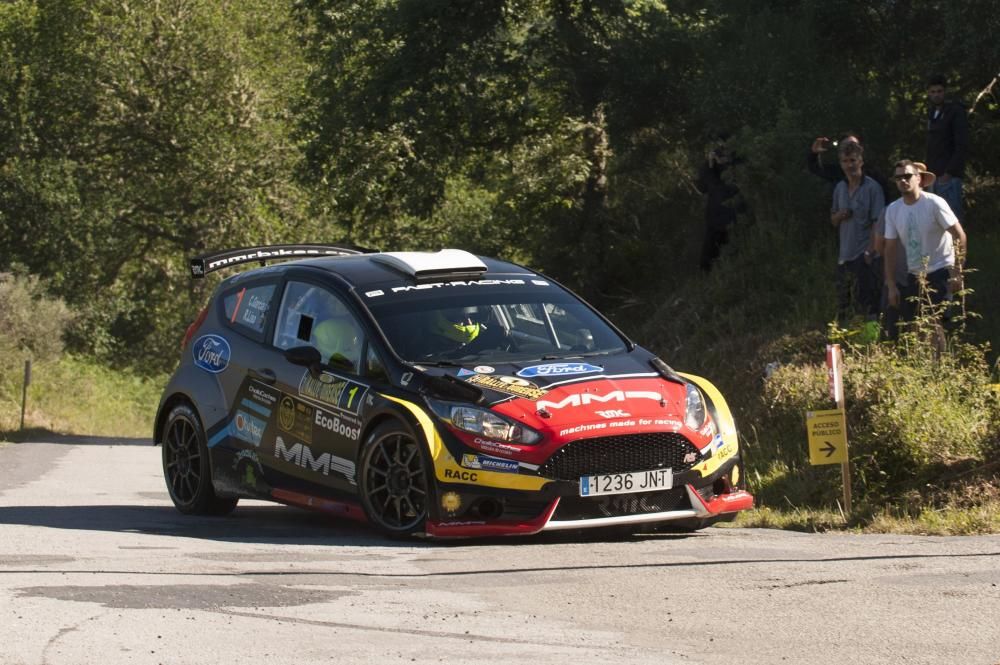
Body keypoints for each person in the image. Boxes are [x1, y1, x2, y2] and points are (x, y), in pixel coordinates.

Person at [883, 160, 967, 330]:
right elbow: (890, 248)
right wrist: (891, 285)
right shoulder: (893, 209)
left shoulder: (934, 203)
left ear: (918, 179)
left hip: (940, 271)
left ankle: (941, 356)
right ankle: (929, 357)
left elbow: (959, 235)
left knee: (933, 324)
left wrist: (958, 272)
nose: (903, 180)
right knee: (916, 328)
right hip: (914, 275)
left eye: (907, 176)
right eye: (898, 178)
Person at [830, 142, 884, 324]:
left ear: (861, 161)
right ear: (841, 164)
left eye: (853, 160)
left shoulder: (872, 188)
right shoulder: (839, 188)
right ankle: (846, 343)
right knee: (844, 304)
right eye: (845, 161)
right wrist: (839, 215)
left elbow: (878, 222)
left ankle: (869, 345)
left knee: (867, 305)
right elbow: (833, 220)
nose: (849, 165)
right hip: (844, 256)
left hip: (865, 255)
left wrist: (871, 251)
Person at [696, 138, 744, 271]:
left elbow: (706, 186)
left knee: (727, 245)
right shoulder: (714, 162)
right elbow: (703, 187)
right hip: (718, 213)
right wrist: (710, 165)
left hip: (729, 212)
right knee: (712, 249)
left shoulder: (738, 157)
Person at [925, 75, 968, 221]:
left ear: (945, 92)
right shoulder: (932, 113)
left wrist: (948, 174)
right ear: (928, 93)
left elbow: (961, 145)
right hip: (933, 177)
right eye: (933, 92)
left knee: (952, 221)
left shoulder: (955, 111)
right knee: (936, 222)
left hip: (948, 178)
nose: (936, 95)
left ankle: (958, 246)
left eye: (939, 91)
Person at [807, 132, 892, 200]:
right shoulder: (837, 171)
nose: (849, 148)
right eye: (846, 145)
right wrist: (814, 154)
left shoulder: (873, 173)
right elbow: (816, 169)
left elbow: (885, 196)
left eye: (853, 145)